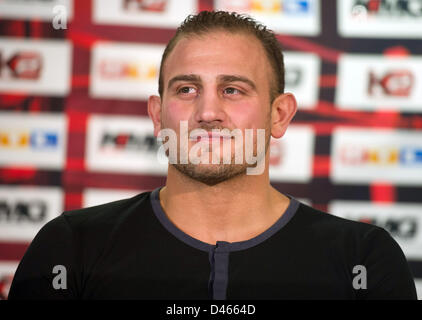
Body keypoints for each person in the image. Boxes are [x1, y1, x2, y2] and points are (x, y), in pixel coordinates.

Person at [8, 11, 417, 300]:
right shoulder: (70, 247)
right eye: (186, 89)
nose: (207, 113)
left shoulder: (363, 258)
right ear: (157, 114)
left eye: (232, 90)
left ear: (279, 114)